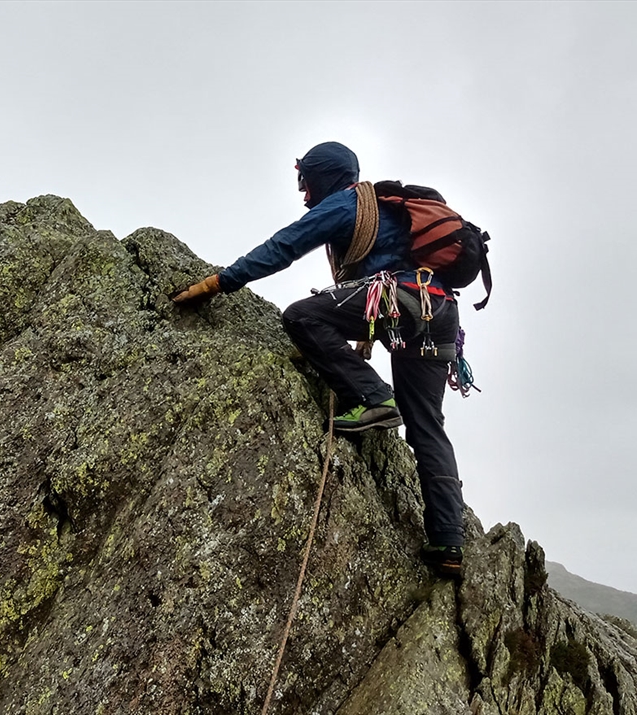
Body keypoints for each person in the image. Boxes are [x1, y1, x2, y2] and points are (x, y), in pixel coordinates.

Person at [171, 141, 466, 577]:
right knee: (427, 428)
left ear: (323, 176)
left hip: (397, 300)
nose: (304, 193)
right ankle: (448, 544)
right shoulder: (386, 208)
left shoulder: (346, 204)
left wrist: (219, 282)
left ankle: (372, 397)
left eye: (305, 181)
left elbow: (282, 247)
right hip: (437, 313)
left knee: (303, 316)